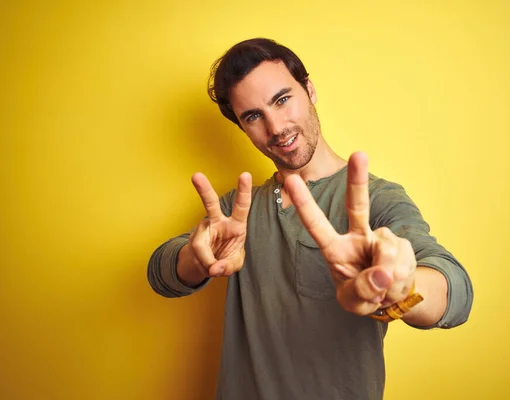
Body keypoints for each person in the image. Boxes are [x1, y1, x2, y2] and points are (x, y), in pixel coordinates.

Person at [148, 38, 473, 400]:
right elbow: (160, 274)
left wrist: (402, 286)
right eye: (253, 116)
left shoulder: (374, 199)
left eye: (282, 99)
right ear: (242, 127)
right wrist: (198, 257)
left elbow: (454, 290)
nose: (275, 127)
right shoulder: (237, 210)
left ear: (309, 90)